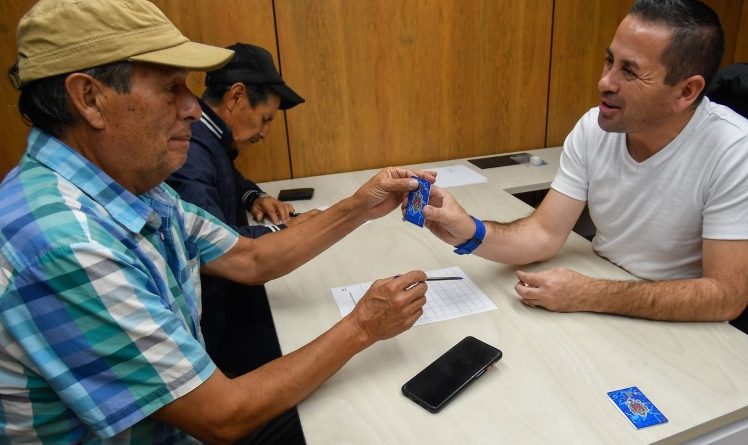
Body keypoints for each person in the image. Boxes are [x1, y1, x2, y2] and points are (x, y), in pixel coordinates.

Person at [0, 0, 432, 443]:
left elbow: (251, 258)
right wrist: (363, 325)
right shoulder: (68, 243)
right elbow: (221, 417)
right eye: (171, 88)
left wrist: (360, 205)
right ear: (90, 99)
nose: (193, 108)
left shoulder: (133, 186)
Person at [420, 0, 748, 322]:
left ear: (686, 91)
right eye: (609, 61)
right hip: (607, 297)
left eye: (629, 72)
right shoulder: (594, 127)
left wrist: (589, 293)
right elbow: (544, 233)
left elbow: (726, 296)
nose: (605, 82)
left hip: (681, 325)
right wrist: (470, 230)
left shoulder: (737, 149)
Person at [166, 43, 314, 376]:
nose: (265, 133)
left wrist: (253, 196)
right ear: (235, 96)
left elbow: (226, 175)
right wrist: (290, 229)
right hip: (218, 326)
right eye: (265, 120)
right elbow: (218, 243)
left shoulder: (210, 137)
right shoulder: (191, 147)